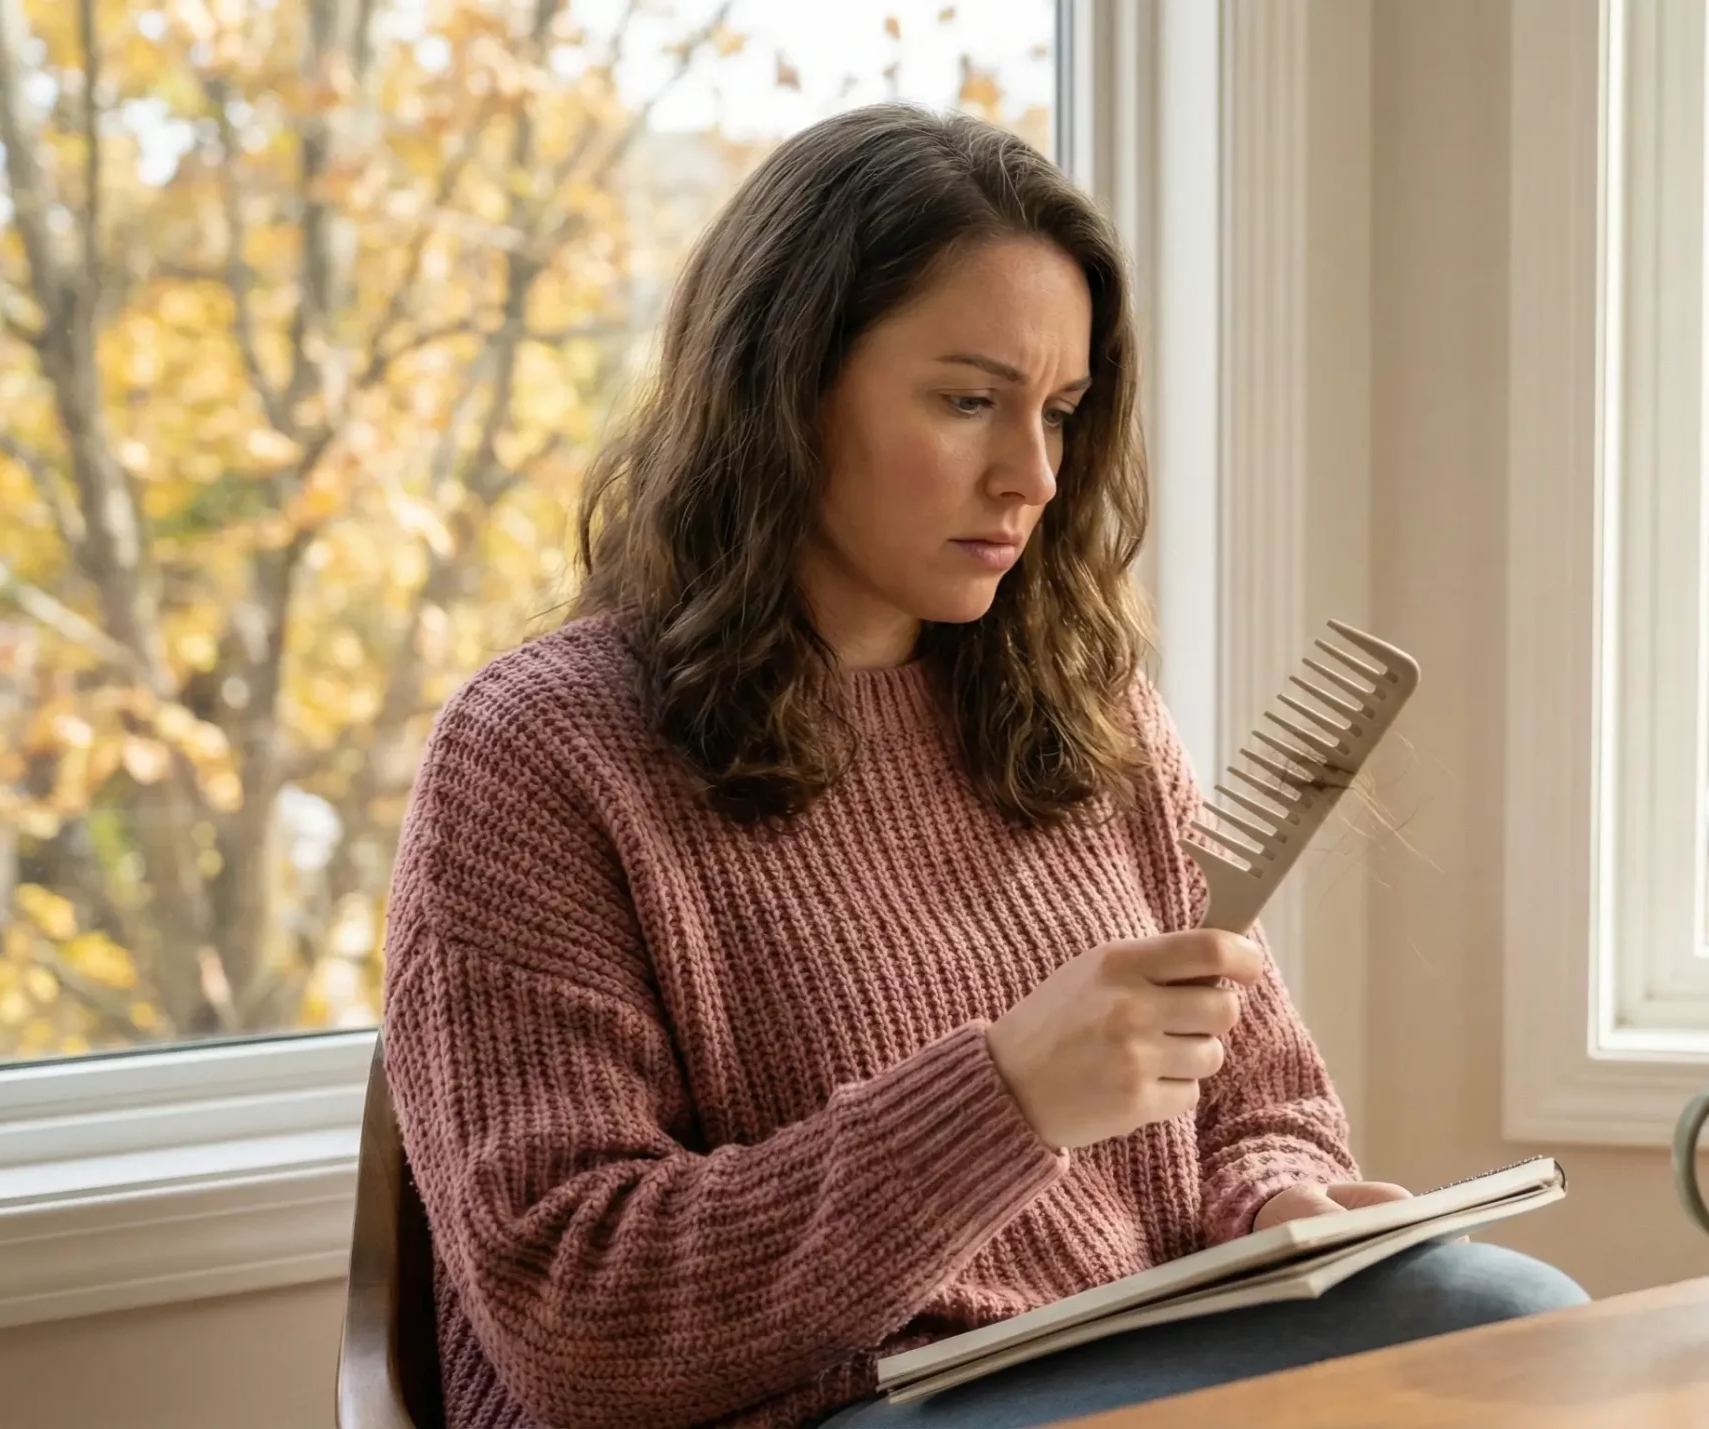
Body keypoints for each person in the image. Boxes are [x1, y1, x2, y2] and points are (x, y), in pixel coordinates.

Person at [378, 104, 1584, 1429]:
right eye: (968, 401)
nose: (1033, 475)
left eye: (1061, 413)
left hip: (1129, 1368)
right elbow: (575, 1316)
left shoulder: (1084, 706)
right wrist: (1000, 1098)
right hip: (820, 1411)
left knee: (1508, 1326)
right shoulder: (541, 750)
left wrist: (1276, 1204)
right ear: (783, 388)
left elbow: (1261, 1104)